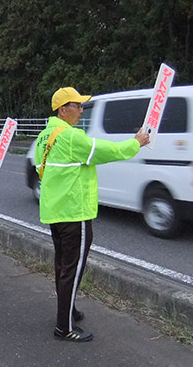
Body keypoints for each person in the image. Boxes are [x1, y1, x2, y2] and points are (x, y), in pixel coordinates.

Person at [35, 87, 150, 342]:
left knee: (63, 265)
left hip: (55, 210)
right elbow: (105, 151)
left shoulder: (46, 136)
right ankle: (63, 328)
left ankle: (69, 310)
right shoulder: (70, 136)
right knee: (72, 269)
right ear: (63, 110)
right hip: (74, 211)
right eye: (77, 105)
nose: (81, 109)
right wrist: (136, 143)